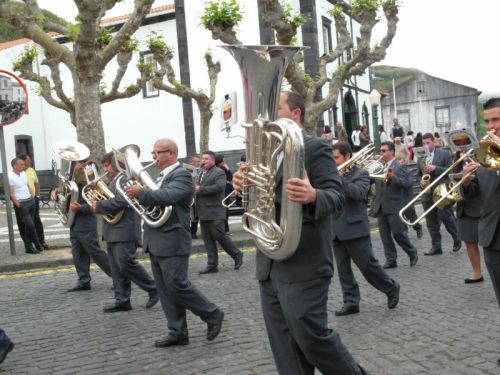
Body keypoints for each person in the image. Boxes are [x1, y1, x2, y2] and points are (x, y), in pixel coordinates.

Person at [233, 91, 369, 375]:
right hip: (269, 264)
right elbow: (257, 202)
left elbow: (337, 197)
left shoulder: (315, 147)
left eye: (276, 108)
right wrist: (242, 188)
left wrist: (312, 194)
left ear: (295, 113)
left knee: (310, 337)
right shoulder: (262, 151)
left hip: (304, 261)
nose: (266, 116)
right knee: (284, 346)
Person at [125, 138, 224, 347]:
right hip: (157, 239)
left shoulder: (182, 175)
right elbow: (155, 198)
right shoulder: (161, 176)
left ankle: (212, 314)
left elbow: (167, 196)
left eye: (156, 153)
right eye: (153, 153)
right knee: (165, 290)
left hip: (173, 239)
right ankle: (177, 331)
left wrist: (141, 192)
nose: (153, 158)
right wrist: (140, 194)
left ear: (171, 153)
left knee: (177, 284)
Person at [332, 142, 400, 316]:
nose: (334, 161)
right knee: (343, 270)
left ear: (347, 157)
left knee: (367, 266)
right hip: (336, 229)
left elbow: (358, 193)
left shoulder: (361, 173)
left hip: (355, 228)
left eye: (336, 158)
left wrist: (339, 178)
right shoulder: (331, 175)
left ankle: (391, 287)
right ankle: (351, 301)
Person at [91, 152, 159, 312]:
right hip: (112, 229)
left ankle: (153, 288)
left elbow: (123, 201)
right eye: (104, 166)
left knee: (125, 263)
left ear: (114, 164)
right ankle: (122, 300)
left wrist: (99, 206)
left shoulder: (125, 180)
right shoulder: (112, 182)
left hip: (125, 228)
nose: (105, 169)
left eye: (107, 165)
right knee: (116, 267)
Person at [461, 97, 500, 366]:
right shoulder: (484, 153)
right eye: (487, 121)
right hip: (492, 236)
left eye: (496, 120)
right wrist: (466, 181)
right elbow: (475, 194)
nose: (491, 126)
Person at [53, 160, 112, 292]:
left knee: (95, 253)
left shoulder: (91, 182)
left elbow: (99, 201)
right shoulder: (73, 182)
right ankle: (83, 280)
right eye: (74, 165)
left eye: (77, 165)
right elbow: (65, 195)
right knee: (78, 253)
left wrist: (82, 208)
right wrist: (56, 192)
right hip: (73, 222)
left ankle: (118, 277)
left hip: (86, 222)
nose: (74, 168)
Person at [372, 141, 419, 268]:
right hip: (381, 205)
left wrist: (393, 177)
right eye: (380, 150)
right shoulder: (379, 166)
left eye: (384, 150)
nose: (381, 153)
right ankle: (391, 259)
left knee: (398, 233)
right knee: (385, 236)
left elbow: (407, 183)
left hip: (394, 205)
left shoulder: (399, 166)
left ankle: (412, 252)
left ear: (392, 152)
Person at [196, 151, 243, 274]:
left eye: (206, 159)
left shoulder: (219, 172)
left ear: (212, 160)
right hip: (203, 211)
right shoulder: (201, 173)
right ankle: (212, 265)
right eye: (202, 159)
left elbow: (219, 187)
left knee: (220, 236)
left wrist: (200, 189)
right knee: (207, 239)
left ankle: (237, 254)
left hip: (215, 210)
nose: (203, 161)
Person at [417, 133, 461, 255]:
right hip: (427, 192)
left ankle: (457, 239)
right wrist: (420, 181)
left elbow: (449, 170)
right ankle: (436, 247)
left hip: (441, 190)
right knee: (431, 222)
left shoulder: (444, 154)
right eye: (423, 143)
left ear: (434, 142)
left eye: (428, 143)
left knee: (446, 218)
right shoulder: (421, 157)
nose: (425, 145)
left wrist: (435, 168)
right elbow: (417, 174)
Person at [452, 151, 483, 284]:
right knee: (470, 244)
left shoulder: (479, 164)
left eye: (466, 151)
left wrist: (466, 180)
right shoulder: (456, 167)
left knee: (492, 244)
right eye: (461, 152)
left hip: (479, 209)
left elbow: (475, 189)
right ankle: (477, 273)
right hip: (463, 210)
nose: (463, 154)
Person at [8, 157, 42, 254]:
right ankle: (37, 242)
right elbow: (11, 193)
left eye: (23, 164)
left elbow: (27, 185)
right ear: (15, 166)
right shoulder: (10, 176)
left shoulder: (23, 173)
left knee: (28, 226)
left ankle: (28, 247)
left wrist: (32, 197)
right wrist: (18, 204)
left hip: (30, 201)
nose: (24, 166)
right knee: (30, 224)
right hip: (21, 203)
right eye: (21, 164)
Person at [18, 154, 48, 250]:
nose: (30, 161)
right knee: (25, 223)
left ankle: (41, 241)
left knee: (36, 221)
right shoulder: (17, 172)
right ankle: (29, 244)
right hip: (22, 201)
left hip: (33, 200)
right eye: (28, 160)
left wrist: (37, 196)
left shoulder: (31, 170)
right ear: (23, 161)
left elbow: (36, 183)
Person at [215, 154, 233, 233]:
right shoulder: (220, 170)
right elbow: (230, 177)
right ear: (220, 162)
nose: (224, 162)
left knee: (225, 211)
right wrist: (228, 168)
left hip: (226, 192)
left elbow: (230, 178)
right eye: (223, 160)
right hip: (224, 192)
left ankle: (225, 229)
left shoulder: (221, 168)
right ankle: (224, 229)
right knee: (224, 211)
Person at [189, 156, 201, 239]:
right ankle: (192, 232)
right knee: (193, 215)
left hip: (199, 196)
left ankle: (193, 231)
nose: (199, 163)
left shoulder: (198, 170)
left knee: (196, 215)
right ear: (192, 162)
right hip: (192, 197)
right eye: (197, 161)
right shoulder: (189, 170)